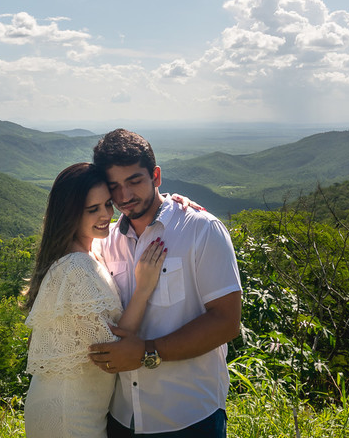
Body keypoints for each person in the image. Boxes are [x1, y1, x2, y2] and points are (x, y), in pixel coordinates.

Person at [87, 129, 243, 437]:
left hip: (189, 417)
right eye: (114, 186)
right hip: (122, 417)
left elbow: (227, 322)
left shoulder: (200, 230)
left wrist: (147, 352)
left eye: (134, 181)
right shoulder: (106, 243)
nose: (124, 196)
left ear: (156, 176)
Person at [23, 162, 169, 438]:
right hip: (68, 412)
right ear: (70, 214)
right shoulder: (76, 267)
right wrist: (144, 287)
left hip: (81, 407)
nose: (105, 215)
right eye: (93, 210)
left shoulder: (89, 252)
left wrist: (175, 202)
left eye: (107, 205)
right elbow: (111, 351)